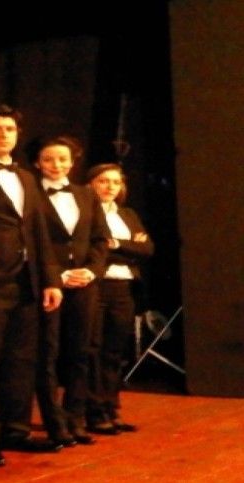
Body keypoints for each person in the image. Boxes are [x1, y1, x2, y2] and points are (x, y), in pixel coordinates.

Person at [0, 104, 63, 468]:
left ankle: (16, 430)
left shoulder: (26, 177)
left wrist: (50, 279)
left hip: (27, 280)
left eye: (10, 129)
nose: (4, 134)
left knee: (21, 360)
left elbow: (38, 233)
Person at [30, 135, 110, 446]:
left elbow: (100, 239)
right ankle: (55, 424)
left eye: (63, 159)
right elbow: (33, 243)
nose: (56, 165)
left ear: (73, 162)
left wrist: (91, 270)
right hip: (50, 285)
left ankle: (76, 419)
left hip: (85, 285)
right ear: (37, 162)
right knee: (48, 354)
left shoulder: (86, 194)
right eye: (48, 159)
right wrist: (57, 275)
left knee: (80, 352)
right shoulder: (30, 193)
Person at [86, 163, 153, 432]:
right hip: (97, 285)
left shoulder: (128, 214)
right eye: (103, 181)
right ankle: (93, 411)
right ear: (91, 184)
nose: (110, 186)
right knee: (93, 348)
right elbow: (93, 251)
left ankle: (111, 407)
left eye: (115, 182)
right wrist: (128, 247)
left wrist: (116, 244)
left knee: (115, 350)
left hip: (124, 288)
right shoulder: (85, 211)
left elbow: (147, 249)